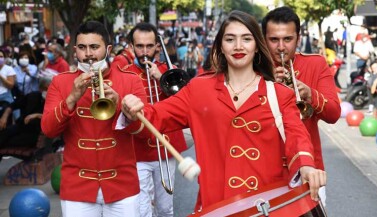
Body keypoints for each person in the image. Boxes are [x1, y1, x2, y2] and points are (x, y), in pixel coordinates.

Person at [117, 10, 326, 211]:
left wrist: (306, 165)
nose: (238, 46)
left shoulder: (279, 93)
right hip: (215, 206)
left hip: (265, 205)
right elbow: (155, 117)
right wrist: (132, 110)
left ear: (256, 46)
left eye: (246, 39)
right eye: (230, 39)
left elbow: (297, 136)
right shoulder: (199, 89)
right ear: (220, 46)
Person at [41, 20, 147, 217]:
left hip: (121, 184)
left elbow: (146, 131)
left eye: (94, 47)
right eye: (82, 48)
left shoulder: (130, 80)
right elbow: (48, 129)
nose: (88, 54)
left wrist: (120, 105)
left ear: (107, 49)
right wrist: (72, 98)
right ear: (75, 51)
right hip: (77, 186)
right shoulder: (60, 82)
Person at [262, 6, 341, 171]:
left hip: (309, 166)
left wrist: (310, 94)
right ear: (264, 40)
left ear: (298, 39)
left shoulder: (316, 64)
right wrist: (265, 86)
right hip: (265, 168)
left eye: (288, 39)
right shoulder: (253, 69)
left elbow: (334, 114)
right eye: (274, 39)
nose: (281, 47)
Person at [122, 22, 187, 217]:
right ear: (131, 47)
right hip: (136, 150)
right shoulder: (125, 74)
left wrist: (161, 78)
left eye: (149, 46)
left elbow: (184, 104)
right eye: (139, 46)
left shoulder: (170, 71)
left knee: (165, 208)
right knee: (141, 210)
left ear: (157, 46)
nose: (144, 51)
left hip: (166, 147)